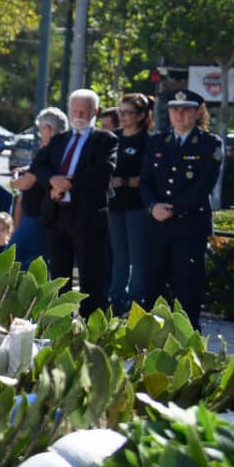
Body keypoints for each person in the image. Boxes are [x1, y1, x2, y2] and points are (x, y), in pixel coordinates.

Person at [20, 89, 117, 314]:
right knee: (58, 276)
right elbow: (39, 166)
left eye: (84, 110)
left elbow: (103, 172)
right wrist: (52, 181)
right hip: (57, 215)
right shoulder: (59, 140)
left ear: (95, 112)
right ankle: (59, 320)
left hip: (87, 216)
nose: (79, 115)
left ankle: (90, 323)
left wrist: (67, 184)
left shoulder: (104, 140)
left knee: (91, 276)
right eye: (75, 110)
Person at [139, 88, 222, 322]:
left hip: (189, 227)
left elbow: (203, 185)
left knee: (187, 291)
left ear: (197, 113)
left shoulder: (209, 143)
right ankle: (152, 338)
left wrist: (173, 209)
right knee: (153, 289)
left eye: (186, 110)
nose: (179, 115)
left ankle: (187, 339)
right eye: (175, 110)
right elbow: (145, 180)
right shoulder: (157, 141)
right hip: (157, 226)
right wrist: (153, 206)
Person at [105, 93, 154, 311]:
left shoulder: (147, 141)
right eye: (121, 112)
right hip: (114, 204)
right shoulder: (113, 138)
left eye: (128, 112)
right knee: (119, 255)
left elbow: (147, 177)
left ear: (141, 116)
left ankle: (137, 301)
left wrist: (123, 181)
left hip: (138, 206)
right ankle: (116, 300)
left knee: (137, 256)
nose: (123, 116)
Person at [11, 109, 65, 267]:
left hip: (36, 218)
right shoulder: (65, 151)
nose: (40, 134)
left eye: (41, 129)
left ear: (48, 128)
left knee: (10, 261)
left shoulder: (47, 152)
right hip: (49, 218)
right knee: (38, 264)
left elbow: (26, 182)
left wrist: (13, 181)